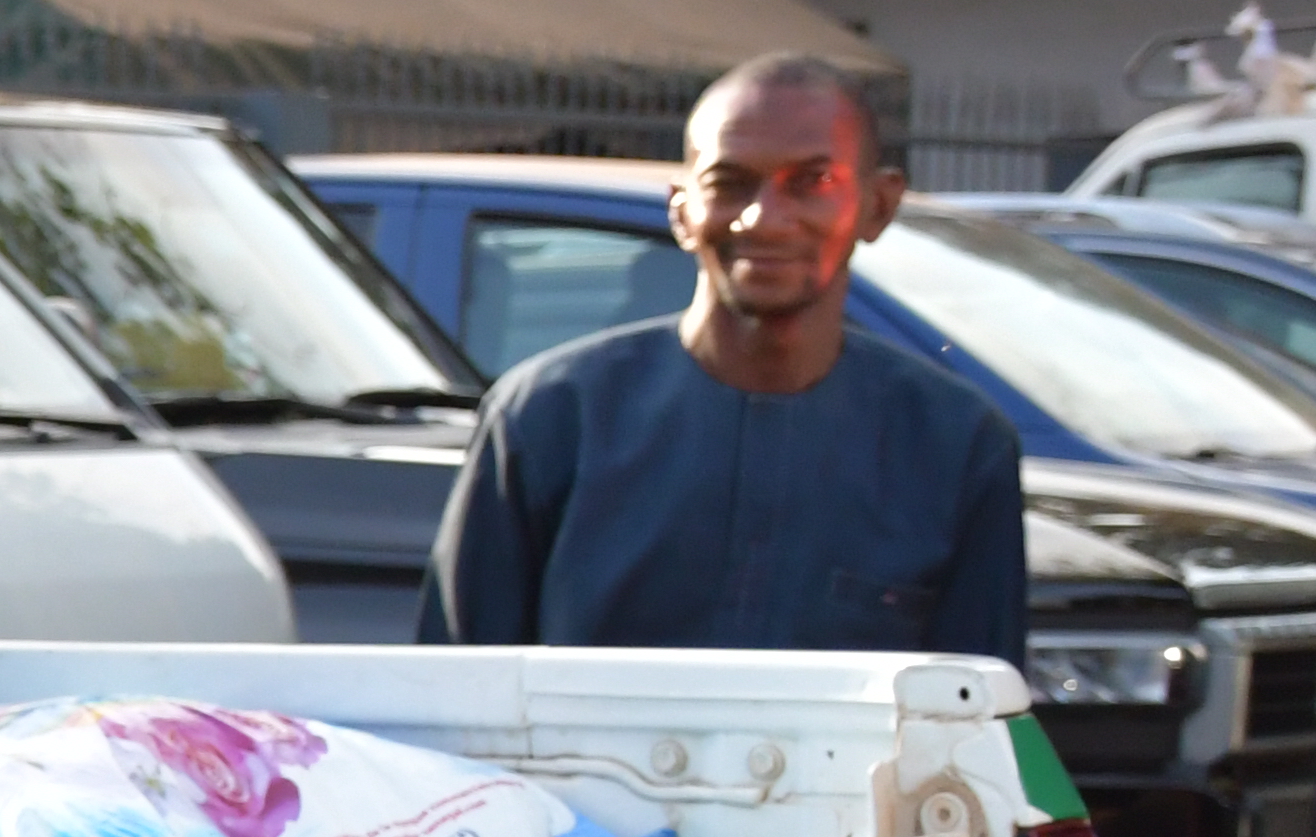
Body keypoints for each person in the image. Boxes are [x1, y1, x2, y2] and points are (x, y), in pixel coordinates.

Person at [419, 53, 1026, 662]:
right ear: (682, 210)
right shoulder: (549, 420)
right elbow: (454, 701)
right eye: (729, 184)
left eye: (813, 183)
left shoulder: (954, 447)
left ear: (879, 205)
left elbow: (971, 725)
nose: (765, 218)